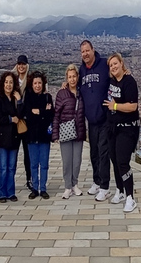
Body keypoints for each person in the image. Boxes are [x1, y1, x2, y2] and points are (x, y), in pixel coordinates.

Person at [103, 53, 140, 213]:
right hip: (113, 127)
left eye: (115, 63)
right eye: (111, 65)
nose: (113, 67)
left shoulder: (129, 81)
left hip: (127, 127)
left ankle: (130, 197)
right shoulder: (111, 81)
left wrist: (115, 107)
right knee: (115, 160)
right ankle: (120, 190)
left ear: (121, 63)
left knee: (123, 162)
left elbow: (133, 106)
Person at [78, 40, 112, 202]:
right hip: (90, 120)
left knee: (103, 151)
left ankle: (105, 187)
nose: (85, 54)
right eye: (82, 52)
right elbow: (76, 87)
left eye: (87, 50)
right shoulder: (82, 70)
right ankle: (97, 181)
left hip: (105, 118)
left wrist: (125, 72)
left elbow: (116, 72)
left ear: (93, 50)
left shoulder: (104, 64)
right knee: (94, 153)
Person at [52, 64, 86, 199]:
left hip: (79, 130)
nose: (72, 79)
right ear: (66, 78)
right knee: (67, 160)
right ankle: (67, 186)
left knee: (77, 160)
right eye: (69, 77)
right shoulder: (62, 93)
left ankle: (74, 184)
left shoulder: (81, 93)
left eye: (74, 76)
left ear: (78, 77)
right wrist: (55, 134)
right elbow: (56, 114)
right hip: (65, 131)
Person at [23, 70, 54, 199]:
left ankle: (43, 188)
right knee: (33, 164)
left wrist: (38, 112)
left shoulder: (48, 97)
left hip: (44, 137)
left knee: (44, 164)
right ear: (32, 84)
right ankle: (35, 188)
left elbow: (50, 115)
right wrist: (42, 112)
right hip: (31, 137)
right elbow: (27, 115)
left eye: (39, 83)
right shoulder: (28, 98)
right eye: (35, 83)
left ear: (43, 84)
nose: (37, 85)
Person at [0, 71, 22, 203]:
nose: (8, 85)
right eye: (6, 82)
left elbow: (21, 115)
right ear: (2, 84)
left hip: (14, 138)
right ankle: (2, 193)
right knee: (3, 167)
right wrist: (10, 119)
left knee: (12, 167)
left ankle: (11, 192)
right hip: (2, 138)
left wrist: (19, 101)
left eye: (11, 82)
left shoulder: (16, 98)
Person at [13, 55, 33, 191]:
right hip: (14, 121)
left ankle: (29, 178)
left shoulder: (30, 81)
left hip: (26, 122)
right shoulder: (12, 80)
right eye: (19, 64)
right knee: (12, 152)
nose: (21, 66)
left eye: (23, 64)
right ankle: (10, 180)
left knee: (28, 153)